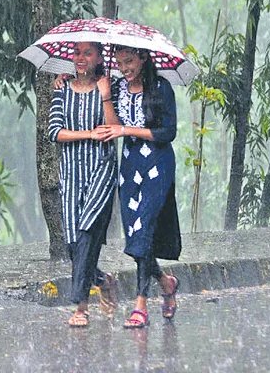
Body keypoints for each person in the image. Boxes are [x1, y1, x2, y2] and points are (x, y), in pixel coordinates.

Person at [101, 45, 182, 329]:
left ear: (144, 58)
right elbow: (112, 127)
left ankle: (140, 304)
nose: (124, 67)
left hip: (157, 164)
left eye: (130, 61)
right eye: (120, 62)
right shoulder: (117, 87)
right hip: (130, 165)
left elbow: (167, 133)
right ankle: (165, 282)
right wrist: (105, 96)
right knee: (135, 233)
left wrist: (127, 130)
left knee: (145, 228)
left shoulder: (161, 88)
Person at [48, 42, 120, 327]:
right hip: (70, 171)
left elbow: (114, 130)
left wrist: (105, 97)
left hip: (101, 167)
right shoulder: (61, 88)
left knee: (88, 231)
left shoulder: (110, 86)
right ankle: (103, 280)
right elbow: (55, 132)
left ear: (99, 57)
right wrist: (89, 134)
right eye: (76, 52)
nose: (80, 58)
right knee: (72, 243)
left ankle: (81, 306)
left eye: (87, 53)